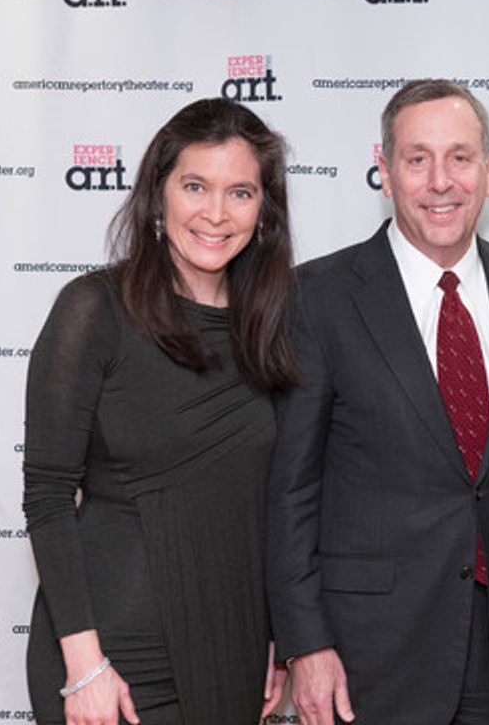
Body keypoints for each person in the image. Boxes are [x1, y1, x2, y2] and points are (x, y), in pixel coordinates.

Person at [266, 79, 489, 725]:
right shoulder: (318, 298)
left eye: (459, 158)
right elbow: (289, 490)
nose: (440, 181)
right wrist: (305, 643)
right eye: (417, 158)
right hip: (365, 651)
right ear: (385, 171)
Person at [23, 97, 298, 725]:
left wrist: (273, 637)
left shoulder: (272, 326)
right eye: (195, 185)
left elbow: (268, 502)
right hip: (111, 659)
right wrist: (84, 665)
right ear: (158, 193)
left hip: (230, 649)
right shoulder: (94, 311)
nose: (216, 213)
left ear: (264, 211)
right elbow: (46, 495)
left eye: (241, 193)